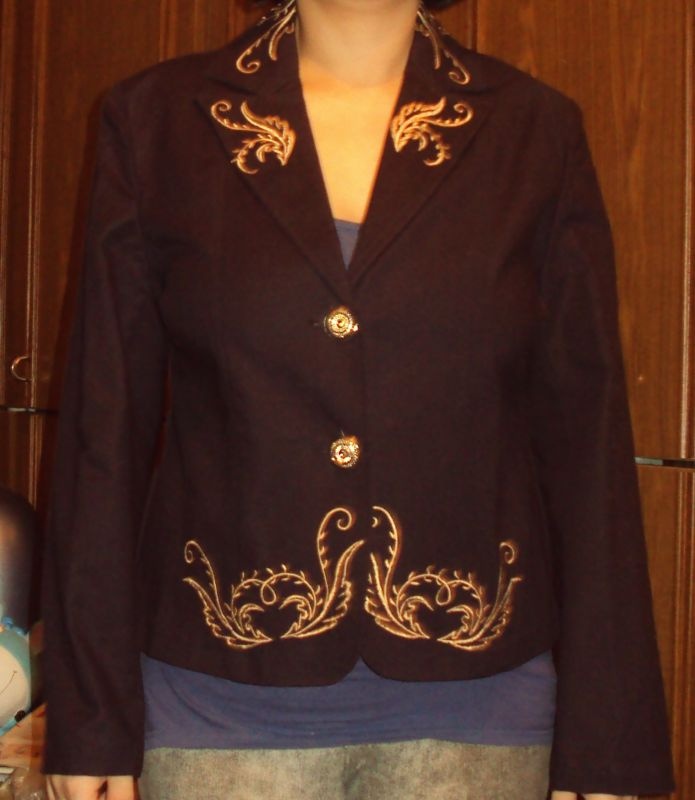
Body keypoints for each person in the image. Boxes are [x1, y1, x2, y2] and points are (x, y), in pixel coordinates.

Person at [41, 1, 676, 799]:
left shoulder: (533, 131)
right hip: (217, 711)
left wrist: (610, 737)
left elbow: (586, 442)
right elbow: (102, 438)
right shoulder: (158, 122)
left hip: (481, 712)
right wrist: (89, 718)